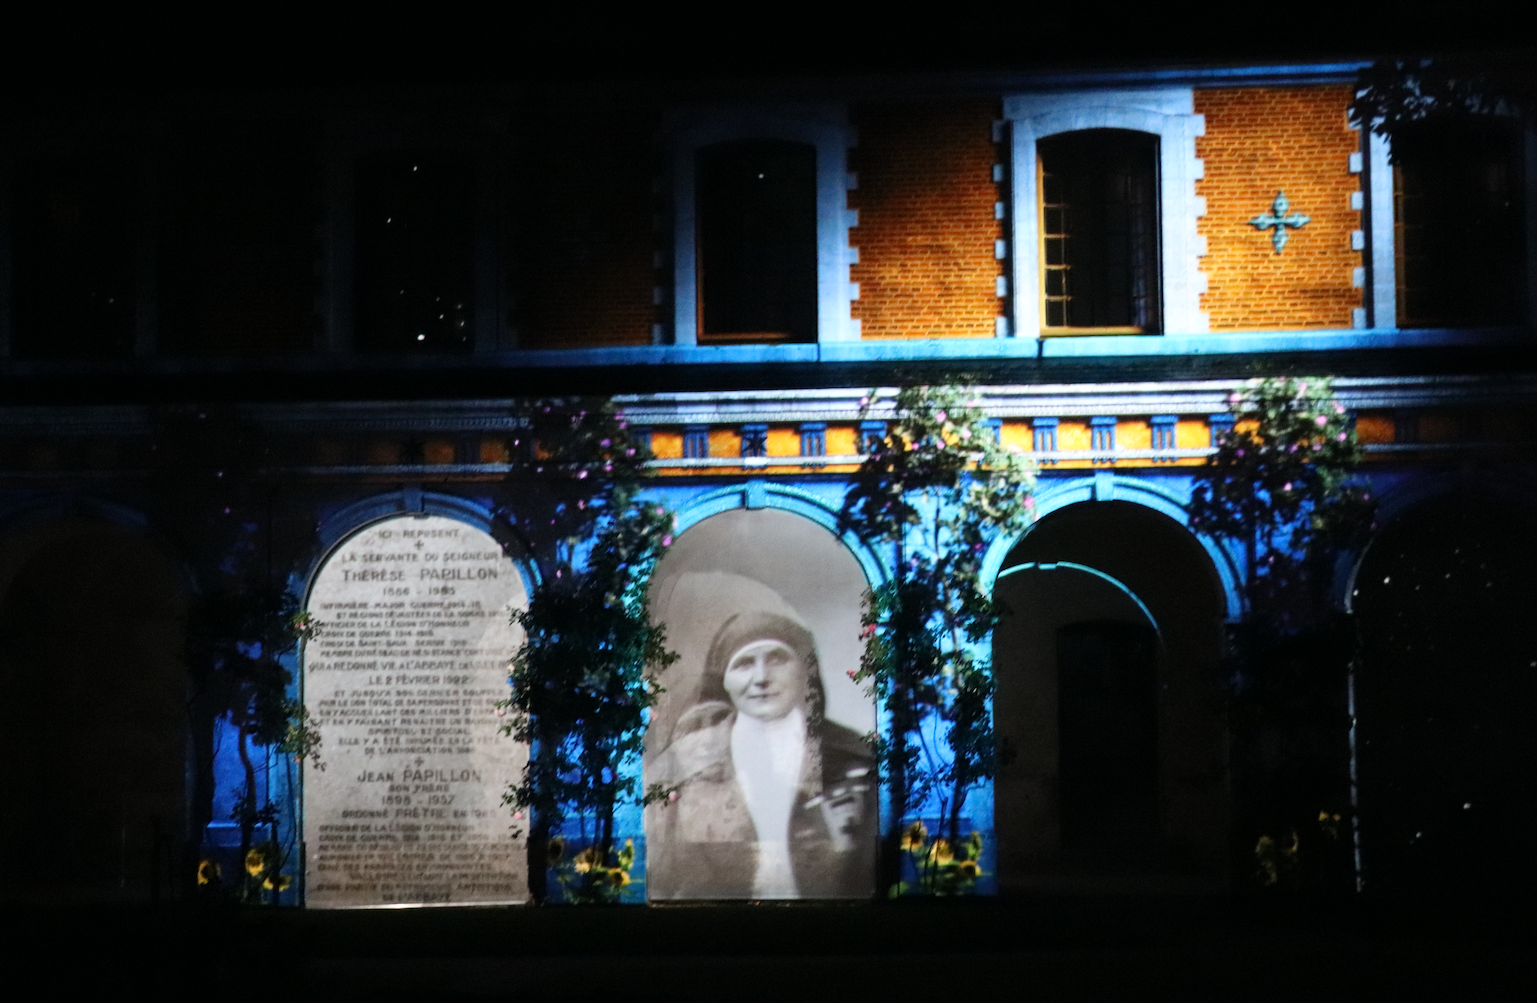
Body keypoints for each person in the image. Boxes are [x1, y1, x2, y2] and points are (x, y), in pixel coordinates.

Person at [646, 610, 876, 899]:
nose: (761, 678)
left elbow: (871, 873)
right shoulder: (679, 765)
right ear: (724, 679)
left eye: (777, 660)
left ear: (805, 671)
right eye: (743, 664)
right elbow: (661, 874)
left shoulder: (854, 760)